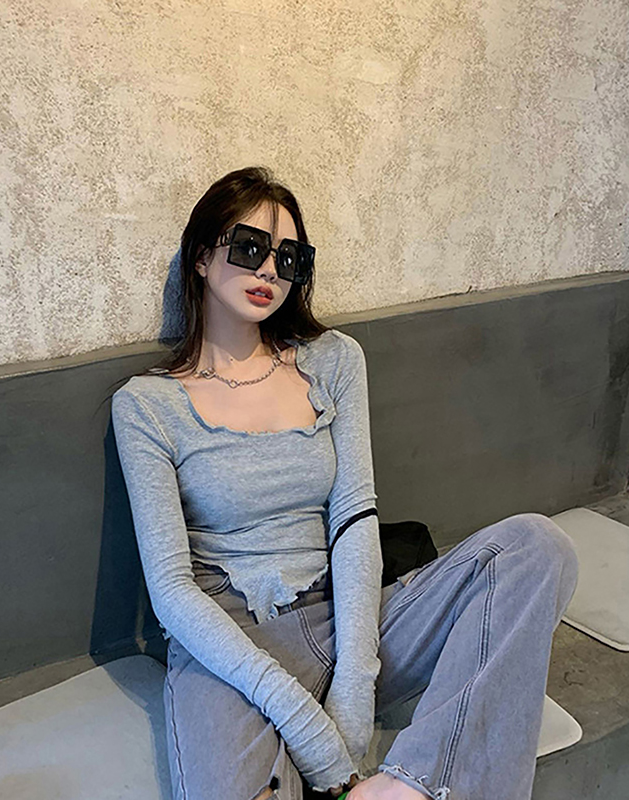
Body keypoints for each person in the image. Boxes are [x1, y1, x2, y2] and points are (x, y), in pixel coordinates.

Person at [110, 166, 579, 800]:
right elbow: (170, 591)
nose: (269, 270)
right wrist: (304, 721)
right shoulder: (145, 405)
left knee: (537, 547)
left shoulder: (333, 361)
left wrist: (355, 686)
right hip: (227, 647)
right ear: (200, 257)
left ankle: (409, 786)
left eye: (289, 258)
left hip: (346, 615)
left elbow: (355, 519)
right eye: (249, 247)